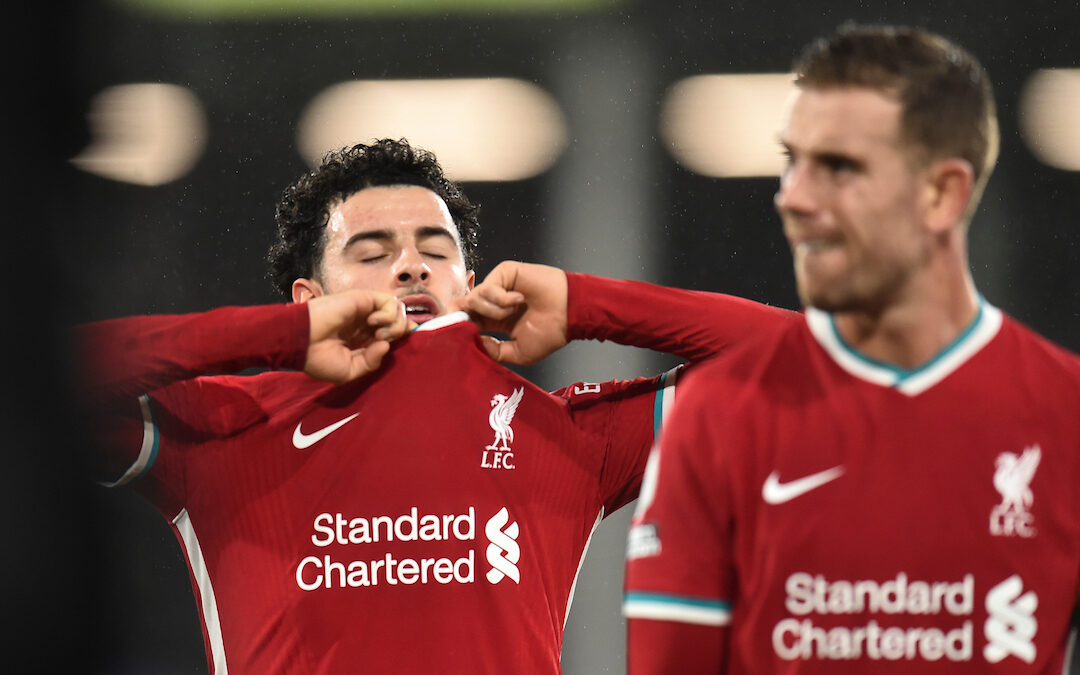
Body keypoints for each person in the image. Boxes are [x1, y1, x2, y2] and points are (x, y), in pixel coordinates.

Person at [74, 138, 782, 673]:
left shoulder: (565, 436)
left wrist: (590, 304)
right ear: (309, 300)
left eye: (433, 249)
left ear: (468, 282)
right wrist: (279, 341)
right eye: (372, 250)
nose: (410, 265)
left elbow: (805, 361)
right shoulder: (225, 429)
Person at [607, 24, 1080, 673]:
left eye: (838, 167)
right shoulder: (714, 416)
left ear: (942, 194)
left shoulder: (1066, 414)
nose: (793, 197)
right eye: (792, 160)